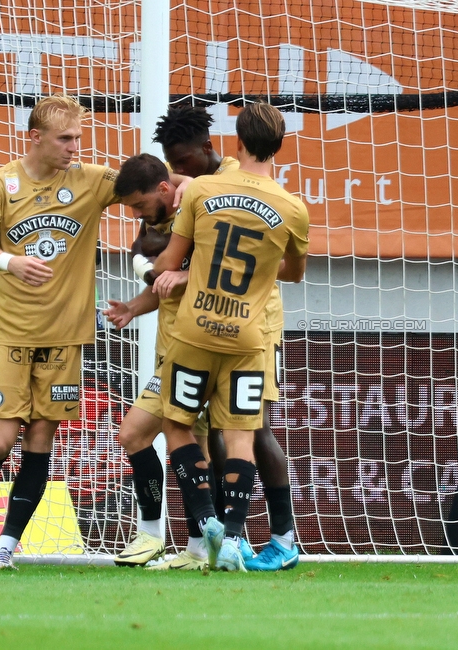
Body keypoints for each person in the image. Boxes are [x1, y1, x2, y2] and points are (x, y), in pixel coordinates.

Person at [0, 94, 123, 571]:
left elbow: (150, 184)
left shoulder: (91, 180)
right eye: (66, 139)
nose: (75, 147)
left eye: (78, 139)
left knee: (40, 441)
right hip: (12, 334)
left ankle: (7, 546)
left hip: (66, 338)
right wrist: (13, 261)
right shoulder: (0, 184)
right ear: (36, 138)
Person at [151, 102, 309, 571]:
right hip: (248, 331)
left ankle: (220, 526)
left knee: (189, 425)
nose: (179, 173)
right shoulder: (292, 207)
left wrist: (178, 269)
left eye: (181, 165)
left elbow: (168, 263)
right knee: (240, 433)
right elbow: (294, 272)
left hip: (202, 327)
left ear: (229, 143)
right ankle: (234, 538)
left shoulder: (203, 191)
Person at [105, 150, 240, 569]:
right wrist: (132, 308)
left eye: (141, 205)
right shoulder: (161, 219)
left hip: (200, 346)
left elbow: (216, 266)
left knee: (142, 435)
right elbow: (162, 281)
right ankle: (197, 549)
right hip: (173, 350)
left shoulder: (205, 206)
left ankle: (163, 538)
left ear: (164, 188)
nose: (137, 215)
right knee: (176, 440)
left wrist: (186, 184)